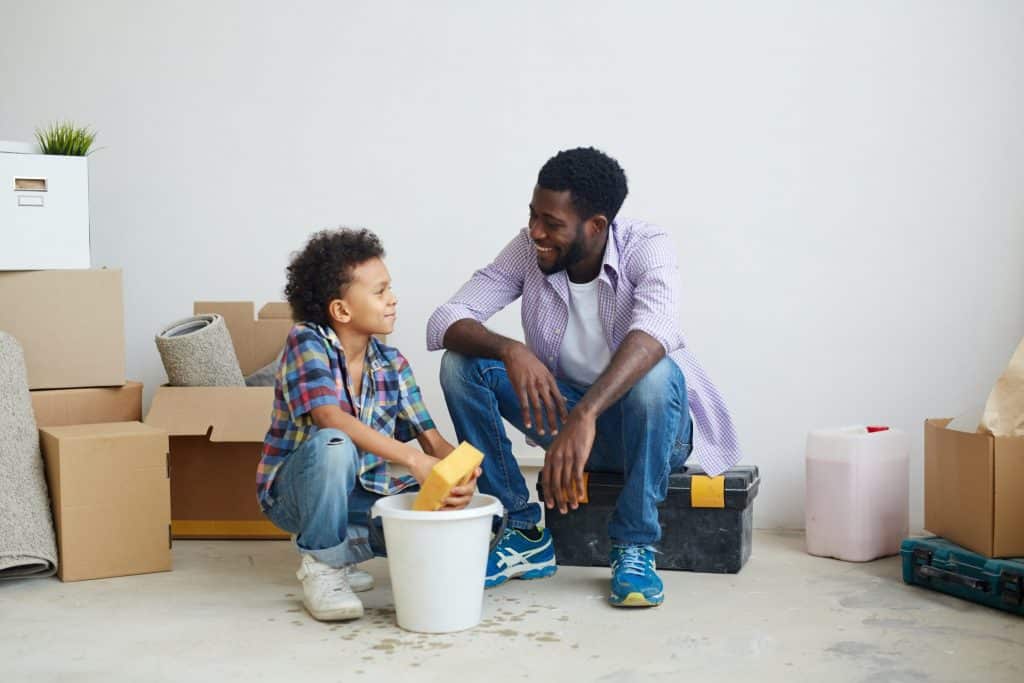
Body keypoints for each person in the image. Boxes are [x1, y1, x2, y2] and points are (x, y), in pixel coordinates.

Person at [427, 147, 741, 607]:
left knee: (655, 375)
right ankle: (522, 529)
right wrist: (511, 349)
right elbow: (446, 318)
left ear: (596, 225)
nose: (536, 232)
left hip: (654, 430)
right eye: (533, 216)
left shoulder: (646, 244)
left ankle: (634, 545)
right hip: (572, 423)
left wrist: (587, 412)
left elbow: (658, 329)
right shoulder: (528, 250)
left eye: (552, 224)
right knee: (461, 365)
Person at [258, 228, 479, 621]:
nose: (392, 299)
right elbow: (329, 417)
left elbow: (433, 440)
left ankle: (336, 551)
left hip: (361, 491)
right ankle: (323, 567)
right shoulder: (306, 342)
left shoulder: (393, 364)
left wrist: (461, 473)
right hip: (293, 494)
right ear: (341, 310)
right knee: (334, 444)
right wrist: (413, 460)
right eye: (379, 292)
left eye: (389, 288)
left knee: (438, 509)